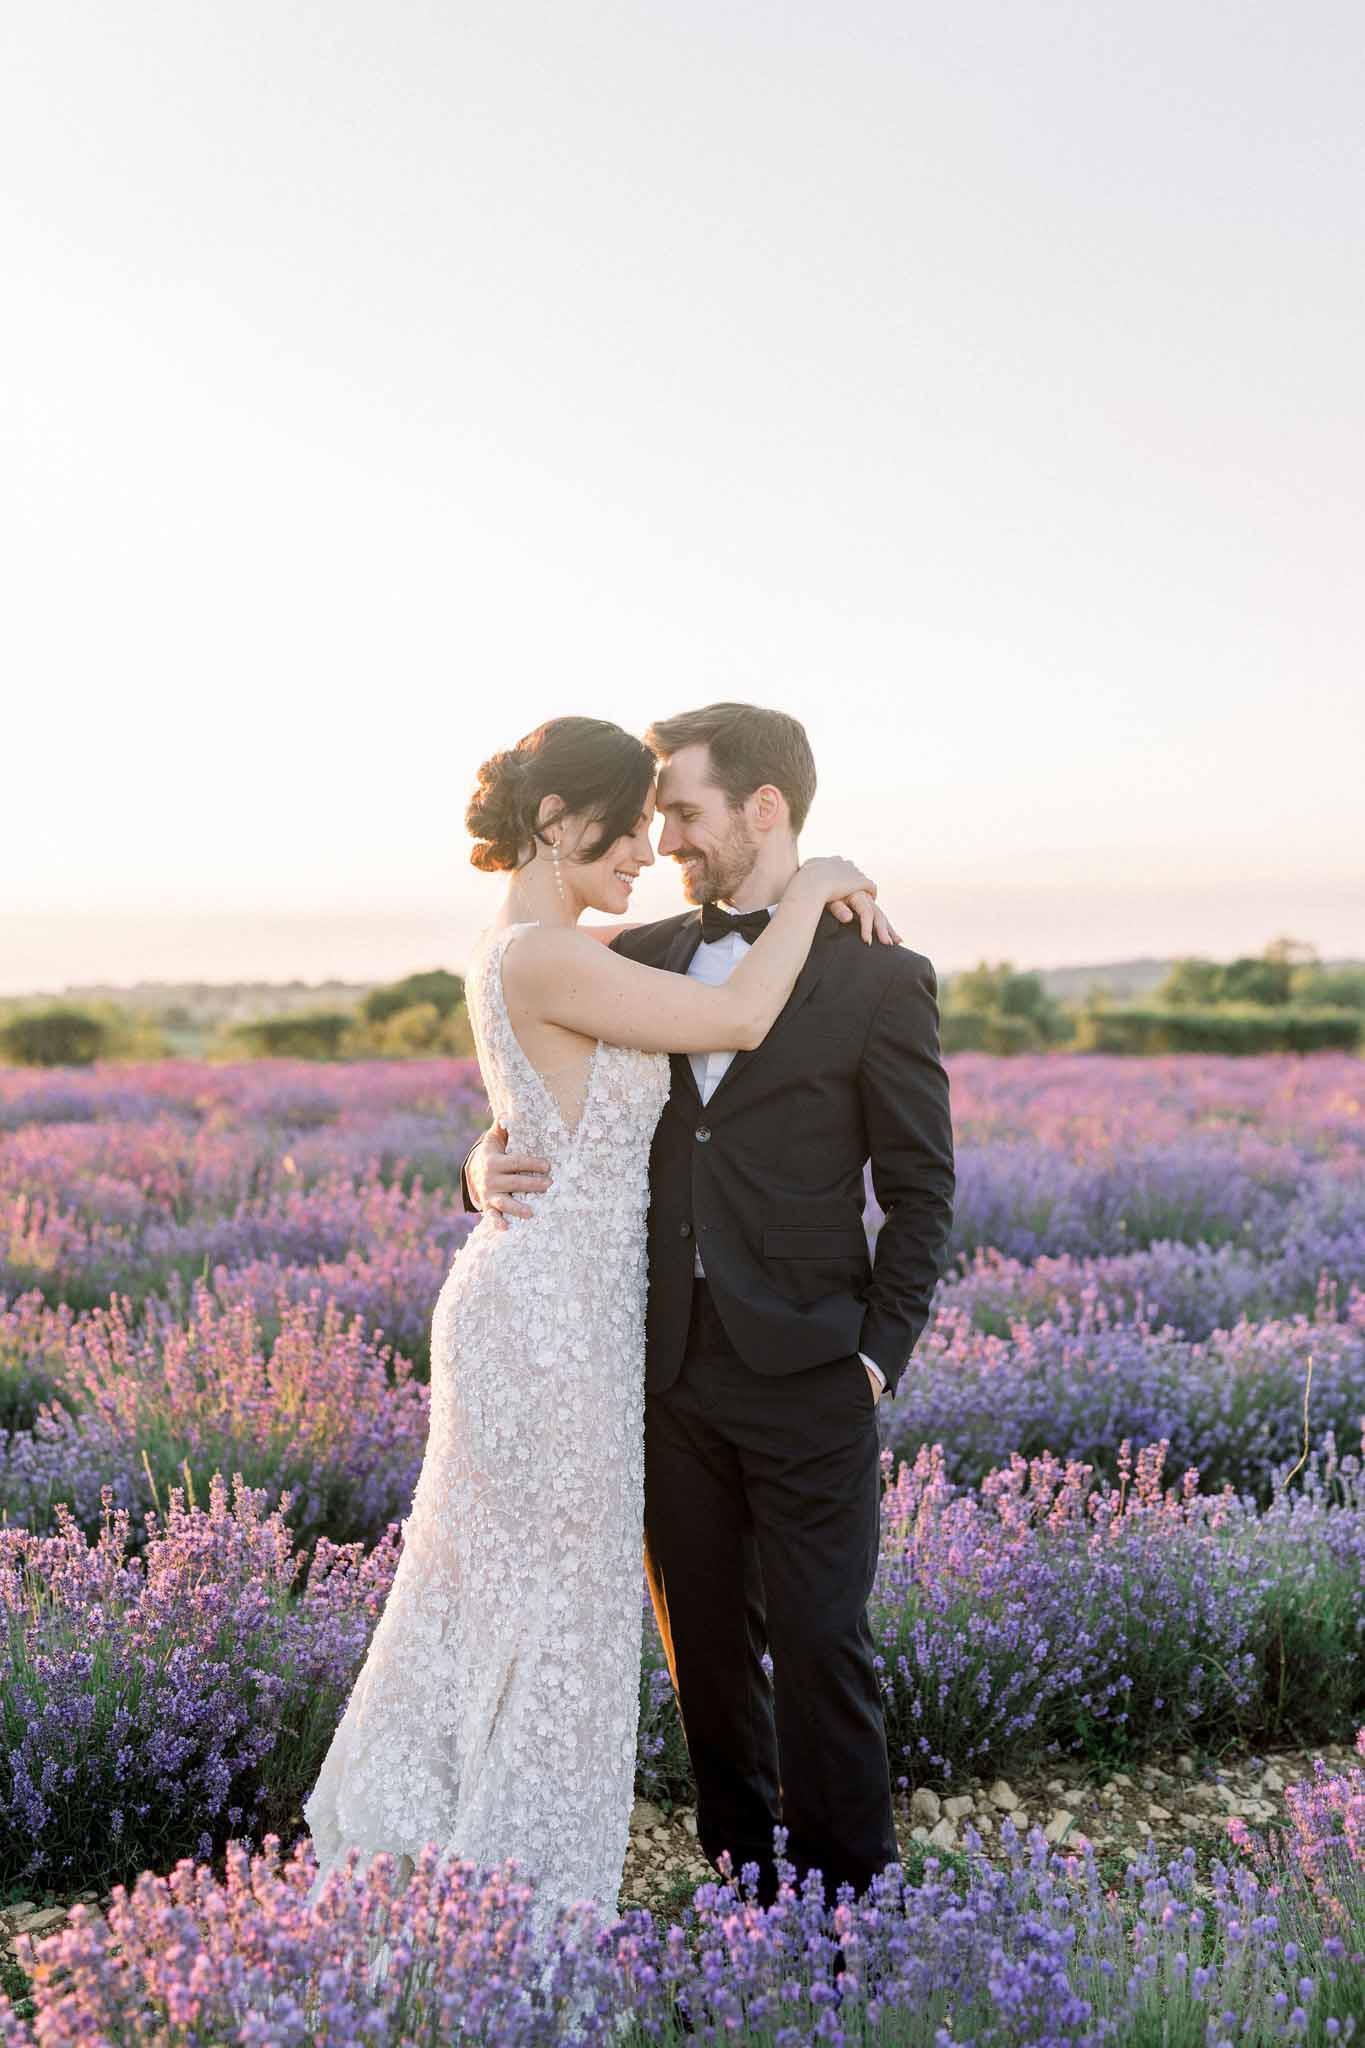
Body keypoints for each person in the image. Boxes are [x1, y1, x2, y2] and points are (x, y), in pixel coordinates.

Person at [301, 712, 884, 1946]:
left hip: (572, 1315)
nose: (647, 851)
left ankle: (477, 1899)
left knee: (528, 1602)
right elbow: (730, 1022)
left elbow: (549, 1105)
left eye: (662, 821)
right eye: (626, 827)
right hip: (552, 1327)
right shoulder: (547, 954)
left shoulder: (556, 946)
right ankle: (507, 1920)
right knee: (548, 1609)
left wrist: (480, 1162)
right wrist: (823, 882)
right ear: (558, 823)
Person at [465, 702, 955, 1906]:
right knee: (709, 1667)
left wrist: (877, 1358)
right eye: (653, 817)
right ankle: (745, 1897)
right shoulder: (630, 955)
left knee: (827, 1646)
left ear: (764, 807)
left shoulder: (881, 975)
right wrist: (478, 1163)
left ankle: (850, 1920)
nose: (665, 838)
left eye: (682, 810)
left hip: (811, 1371)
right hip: (661, 1368)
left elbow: (922, 1187)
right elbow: (539, 1086)